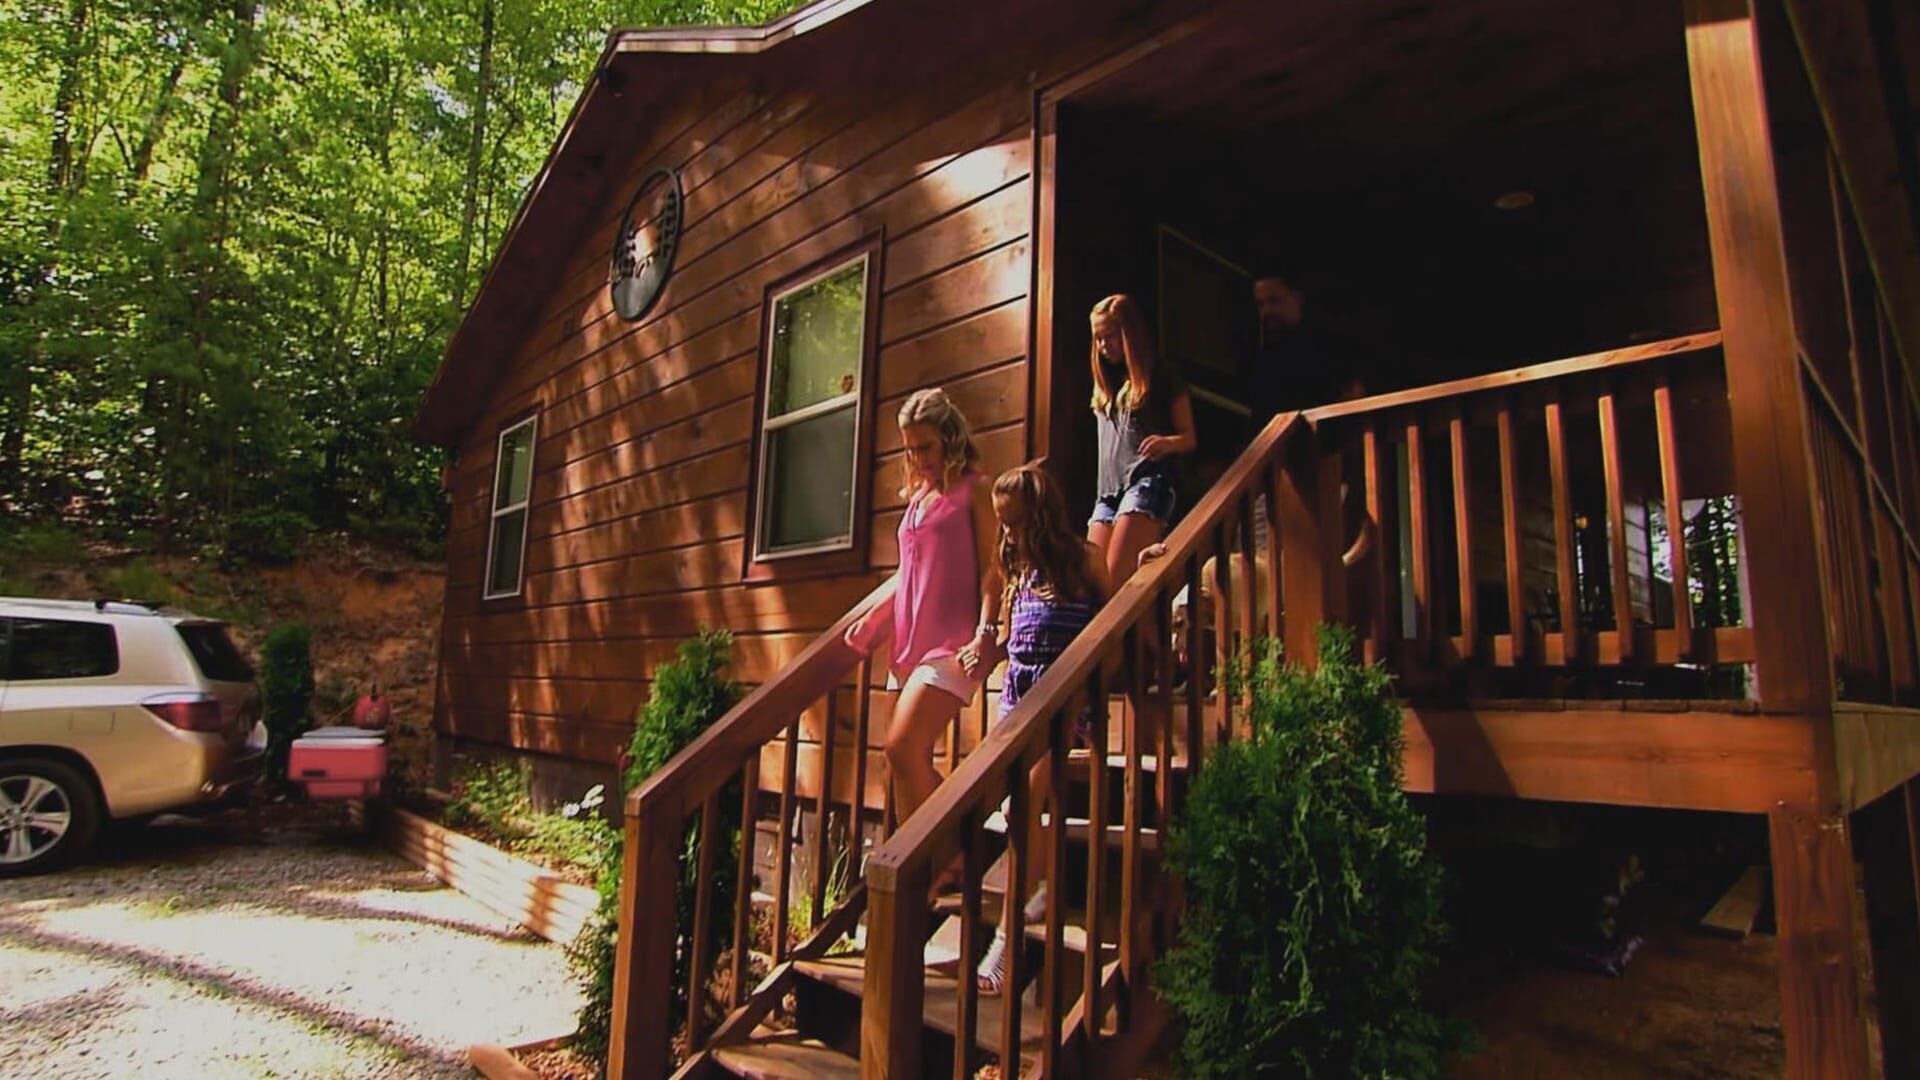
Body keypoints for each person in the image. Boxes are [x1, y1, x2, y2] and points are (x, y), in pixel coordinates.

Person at [967, 463, 1109, 995]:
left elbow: (1115, 615)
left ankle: (1006, 945)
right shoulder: (1017, 570)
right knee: (1008, 806)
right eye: (1002, 524)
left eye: (1015, 523)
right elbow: (1015, 637)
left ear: (1041, 518)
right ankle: (1044, 880)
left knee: (1026, 801)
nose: (1007, 534)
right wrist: (987, 645)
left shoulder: (1082, 562)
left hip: (1063, 702)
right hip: (1017, 699)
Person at [845, 388, 1003, 826]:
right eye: (911, 449)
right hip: (907, 646)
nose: (919, 458)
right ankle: (934, 868)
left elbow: (994, 570)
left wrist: (985, 633)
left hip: (952, 645)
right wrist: (874, 619)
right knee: (896, 766)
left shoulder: (975, 490)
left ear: (950, 437)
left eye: (927, 447)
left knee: (903, 747)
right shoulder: (917, 501)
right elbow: (911, 572)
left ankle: (953, 846)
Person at [1087, 294, 1196, 594]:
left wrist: (1167, 443)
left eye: (1110, 336)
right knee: (1094, 588)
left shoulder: (1159, 375)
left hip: (1146, 482)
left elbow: (1189, 437)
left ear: (1128, 334)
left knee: (1116, 581)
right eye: (1098, 339)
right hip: (1107, 492)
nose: (1104, 345)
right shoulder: (1106, 386)